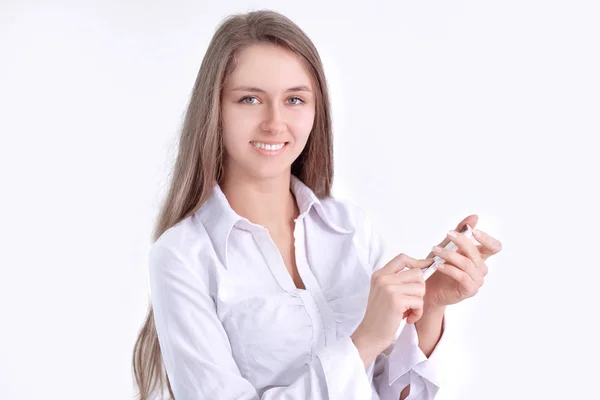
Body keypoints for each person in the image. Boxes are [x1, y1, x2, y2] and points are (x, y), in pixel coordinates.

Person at [131, 9, 502, 400]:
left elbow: (386, 393)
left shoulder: (351, 229)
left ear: (315, 109)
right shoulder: (181, 257)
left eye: (294, 99)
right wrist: (364, 341)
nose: (274, 123)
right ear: (215, 110)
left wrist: (430, 307)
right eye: (250, 99)